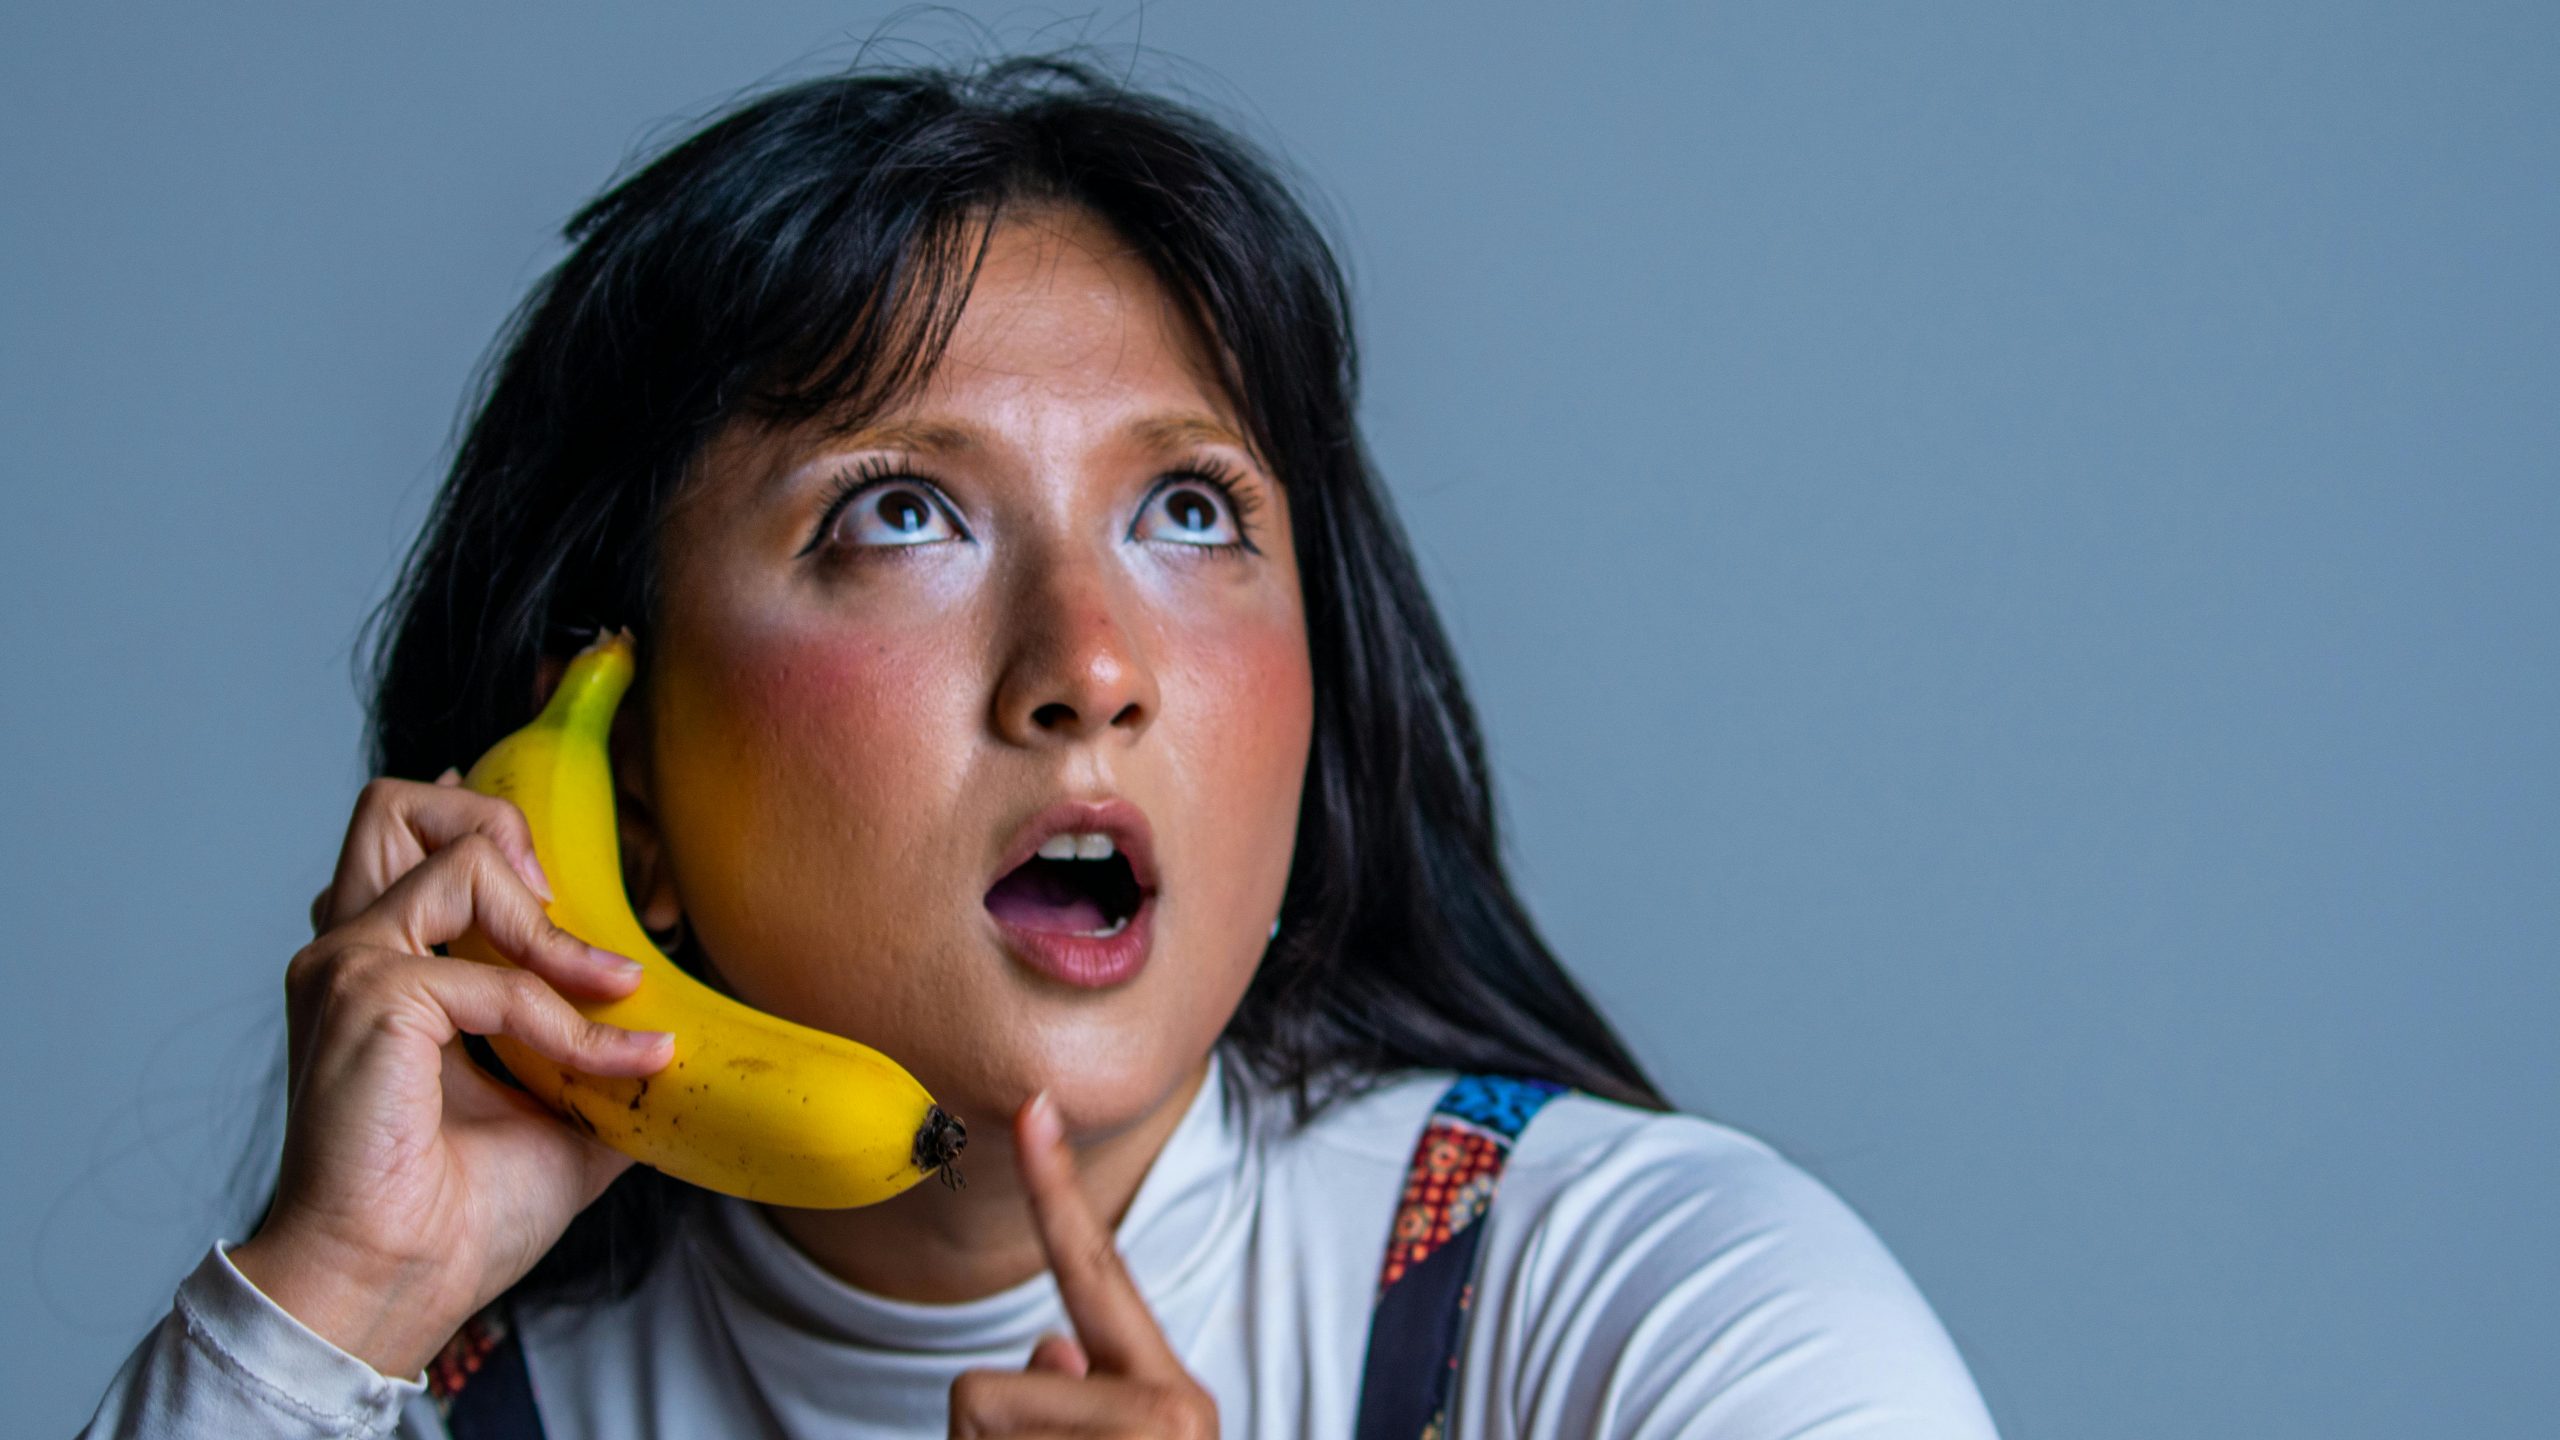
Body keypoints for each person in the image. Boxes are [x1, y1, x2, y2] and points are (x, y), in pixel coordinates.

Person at [79, 55, 2001, 1440]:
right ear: (624, 780)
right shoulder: (410, 1396)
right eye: (901, 513)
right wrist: (331, 1311)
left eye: (1190, 514)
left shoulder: (1659, 1326)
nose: (1089, 666)